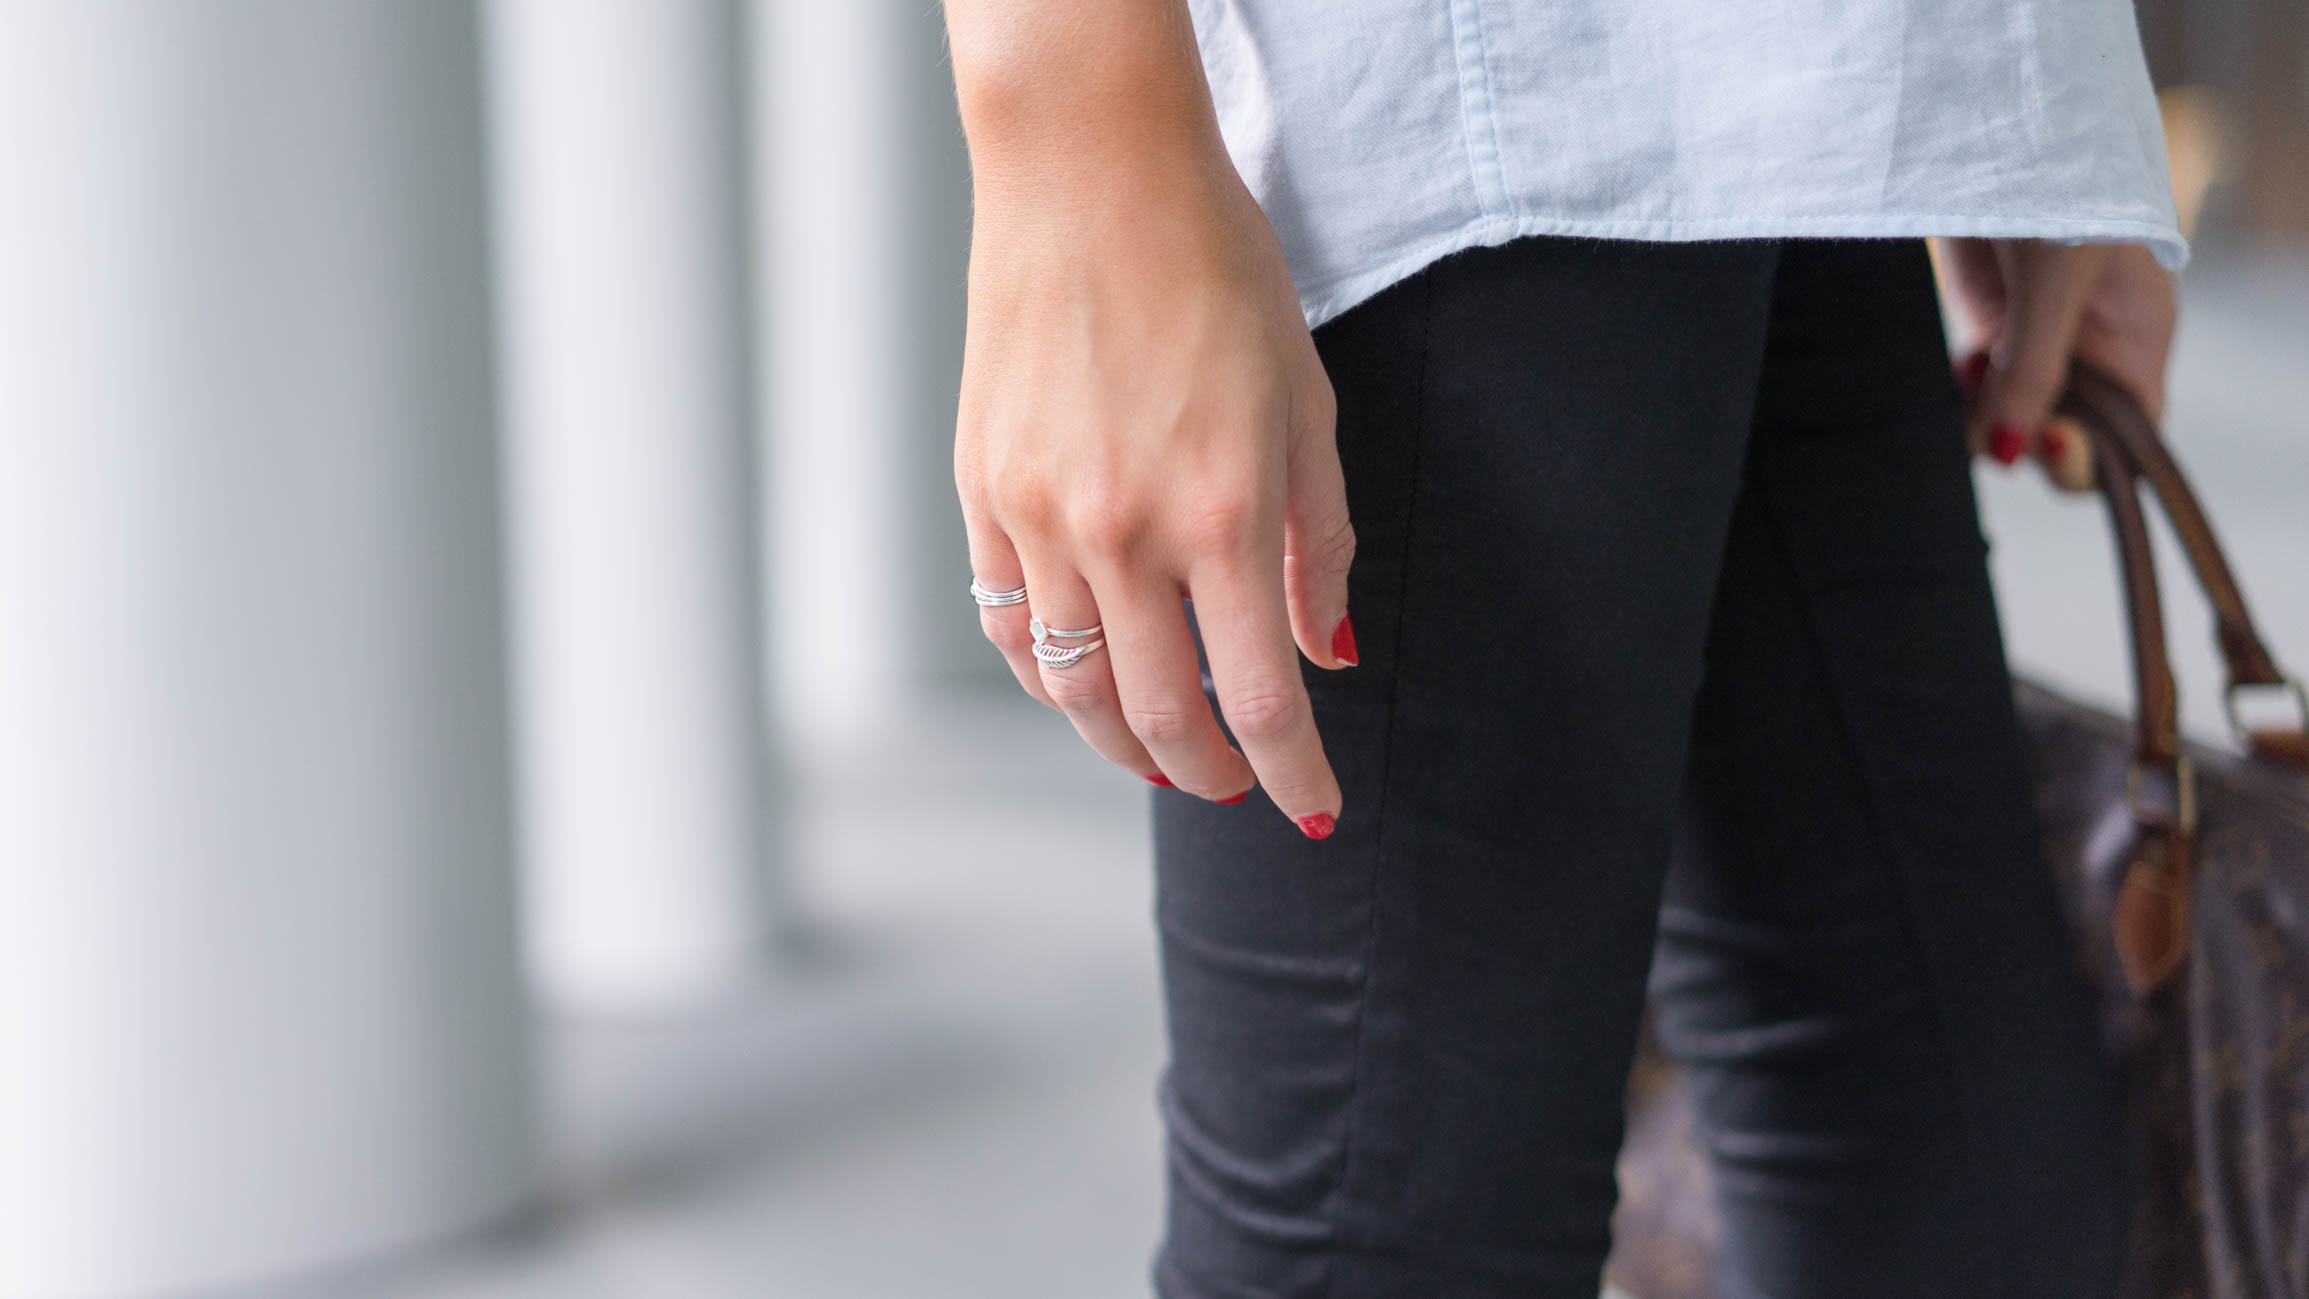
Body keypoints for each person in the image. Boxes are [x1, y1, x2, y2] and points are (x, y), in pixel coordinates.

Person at [940, 1, 2182, 1294]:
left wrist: (2023, 80)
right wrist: (1072, 132)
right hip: (1457, 108)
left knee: (1954, 1171)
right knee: (1386, 1228)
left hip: (1823, 76)